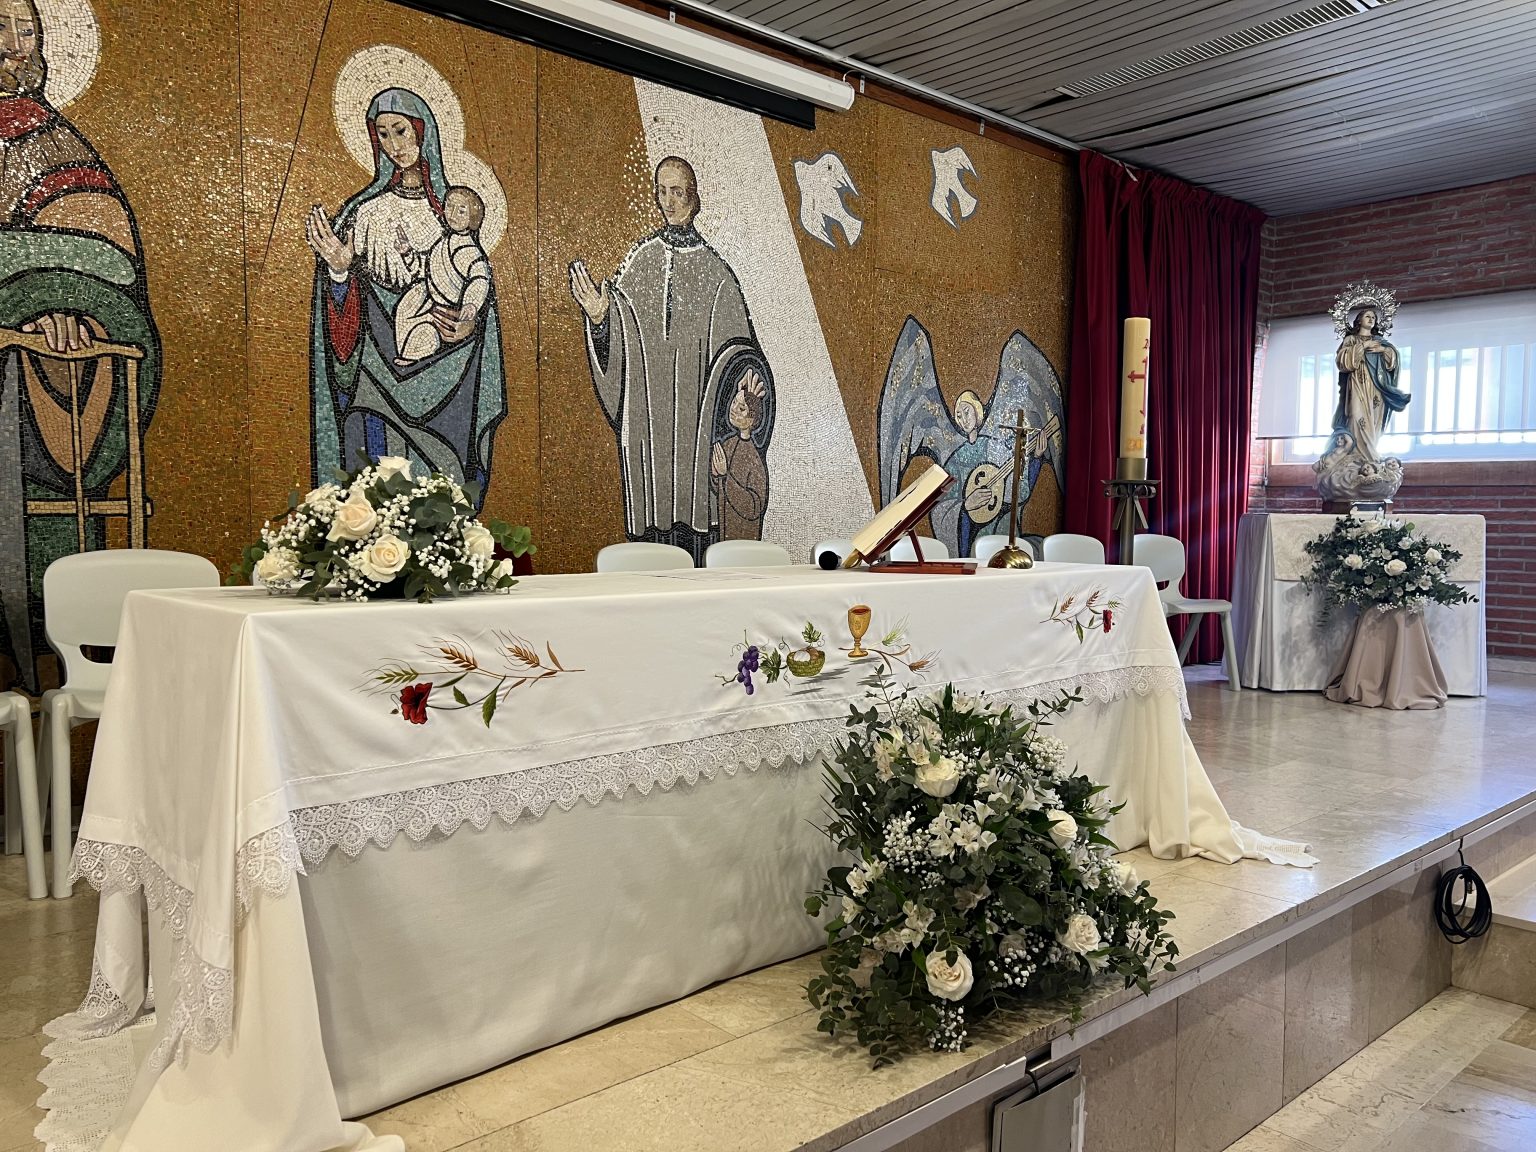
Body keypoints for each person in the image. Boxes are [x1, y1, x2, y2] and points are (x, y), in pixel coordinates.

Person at [0, 0, 160, 692]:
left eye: (28, 30)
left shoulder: (58, 144)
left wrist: (62, 303)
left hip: (46, 392)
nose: (16, 45)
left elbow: (108, 255)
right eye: (2, 27)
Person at [569, 156, 773, 566]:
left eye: (677, 191)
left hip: (695, 433)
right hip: (650, 427)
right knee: (651, 540)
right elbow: (620, 331)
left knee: (697, 548)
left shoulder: (717, 274)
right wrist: (600, 318)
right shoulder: (640, 261)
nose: (668, 201)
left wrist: (749, 378)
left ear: (694, 198)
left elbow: (740, 351)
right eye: (661, 191)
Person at [305, 88, 505, 504]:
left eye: (400, 131)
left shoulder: (453, 213)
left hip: (443, 366)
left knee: (438, 490)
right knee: (378, 483)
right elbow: (341, 314)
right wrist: (339, 270)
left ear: (422, 133)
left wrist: (468, 321)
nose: (394, 145)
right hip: (376, 364)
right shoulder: (364, 212)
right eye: (382, 134)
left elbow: (479, 291)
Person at [393, 186, 492, 366]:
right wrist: (407, 252)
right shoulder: (445, 241)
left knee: (425, 334)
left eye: (461, 211)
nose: (453, 214)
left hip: (445, 311)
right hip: (428, 299)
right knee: (403, 311)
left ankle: (411, 357)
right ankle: (404, 352)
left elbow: (480, 279)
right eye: (450, 206)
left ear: (473, 217)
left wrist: (471, 303)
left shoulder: (468, 250)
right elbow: (427, 268)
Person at [1332, 306, 1409, 462]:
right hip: (1357, 384)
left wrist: (1383, 350)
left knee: (1374, 420)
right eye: (1367, 316)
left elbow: (1392, 362)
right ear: (1359, 321)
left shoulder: (1380, 342)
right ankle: (1356, 455)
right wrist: (1363, 346)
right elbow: (1343, 361)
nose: (1371, 319)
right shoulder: (1351, 340)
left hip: (1376, 386)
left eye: (1373, 317)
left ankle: (1371, 456)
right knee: (1355, 415)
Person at [710, 381, 768, 541]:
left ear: (751, 420)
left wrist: (725, 475)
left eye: (741, 408)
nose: (733, 408)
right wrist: (716, 476)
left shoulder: (754, 458)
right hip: (725, 525)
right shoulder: (728, 444)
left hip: (744, 532)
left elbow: (754, 508)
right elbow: (718, 486)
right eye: (734, 402)